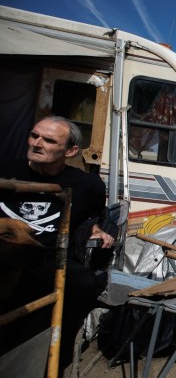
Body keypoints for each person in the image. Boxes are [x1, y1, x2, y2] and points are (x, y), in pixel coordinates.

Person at [0, 116, 114, 363]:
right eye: (34, 136)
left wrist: (95, 230)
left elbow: (90, 216)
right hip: (5, 253)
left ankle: (51, 358)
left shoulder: (87, 184)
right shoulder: (5, 171)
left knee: (83, 284)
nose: (37, 143)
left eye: (49, 140)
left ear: (71, 150)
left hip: (49, 256)